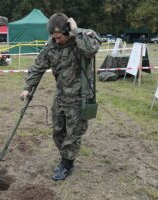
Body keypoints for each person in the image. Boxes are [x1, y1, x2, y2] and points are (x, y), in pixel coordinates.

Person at [20, 13, 100, 181]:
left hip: (80, 97)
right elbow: (38, 65)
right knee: (58, 132)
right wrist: (28, 87)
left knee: (73, 134)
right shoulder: (52, 46)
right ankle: (65, 156)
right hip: (61, 96)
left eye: (59, 37)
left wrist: (76, 31)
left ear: (67, 30)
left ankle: (67, 163)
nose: (56, 41)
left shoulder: (84, 37)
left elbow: (91, 50)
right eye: (53, 37)